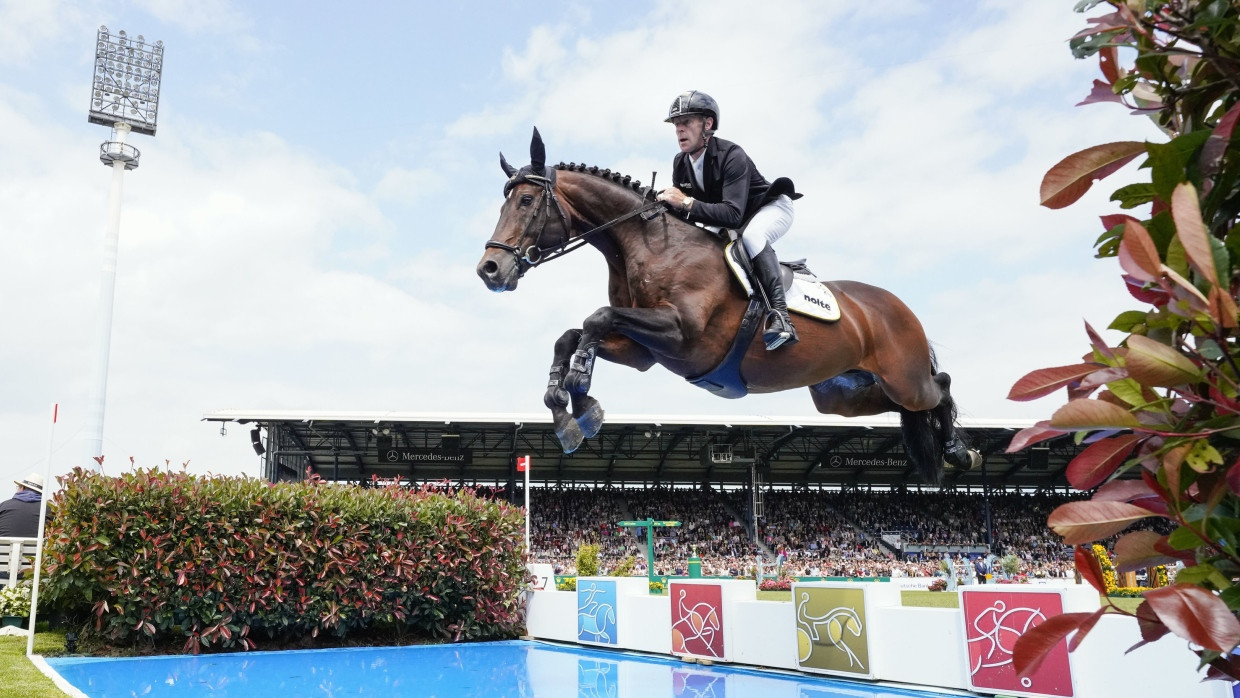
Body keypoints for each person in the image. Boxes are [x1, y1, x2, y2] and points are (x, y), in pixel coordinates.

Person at [656, 90, 803, 350]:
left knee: (752, 237)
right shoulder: (681, 163)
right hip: (733, 217)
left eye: (686, 122)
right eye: (676, 124)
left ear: (707, 124)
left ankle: (781, 317)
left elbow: (732, 215)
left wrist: (685, 202)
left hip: (769, 209)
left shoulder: (731, 154)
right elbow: (686, 215)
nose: (680, 130)